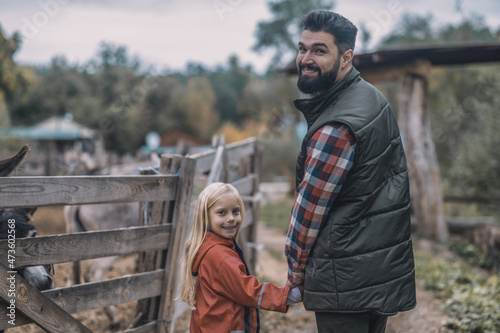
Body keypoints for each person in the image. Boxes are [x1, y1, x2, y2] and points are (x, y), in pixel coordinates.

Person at [285, 10, 417, 333]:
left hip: (343, 280)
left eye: (319, 50)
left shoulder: (337, 126)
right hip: (374, 272)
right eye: (303, 48)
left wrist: (295, 272)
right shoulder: (372, 98)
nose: (306, 59)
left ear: (346, 57)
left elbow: (309, 211)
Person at [181, 182, 301, 333]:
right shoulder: (219, 256)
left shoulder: (211, 247)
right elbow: (248, 291)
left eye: (235, 211)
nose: (231, 218)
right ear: (205, 217)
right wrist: (293, 295)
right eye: (222, 213)